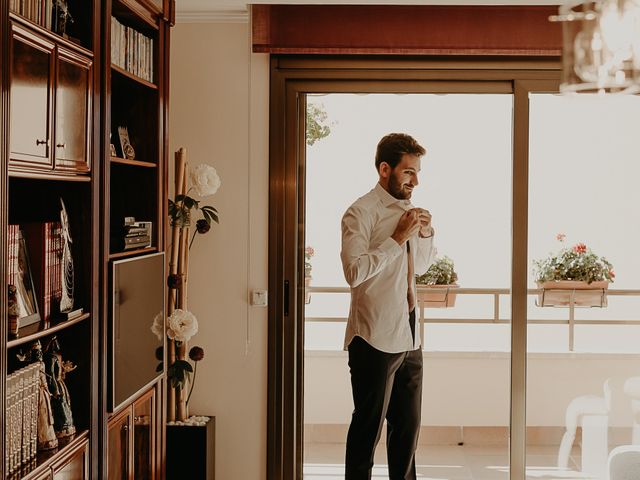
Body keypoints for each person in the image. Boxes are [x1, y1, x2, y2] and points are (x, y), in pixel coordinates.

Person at [340, 133, 436, 480]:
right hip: (373, 337)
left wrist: (423, 235)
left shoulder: (409, 211)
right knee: (367, 431)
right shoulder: (359, 212)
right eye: (409, 172)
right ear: (385, 169)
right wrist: (397, 238)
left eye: (418, 172)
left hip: (410, 336)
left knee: (407, 433)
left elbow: (420, 268)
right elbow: (354, 272)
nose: (416, 180)